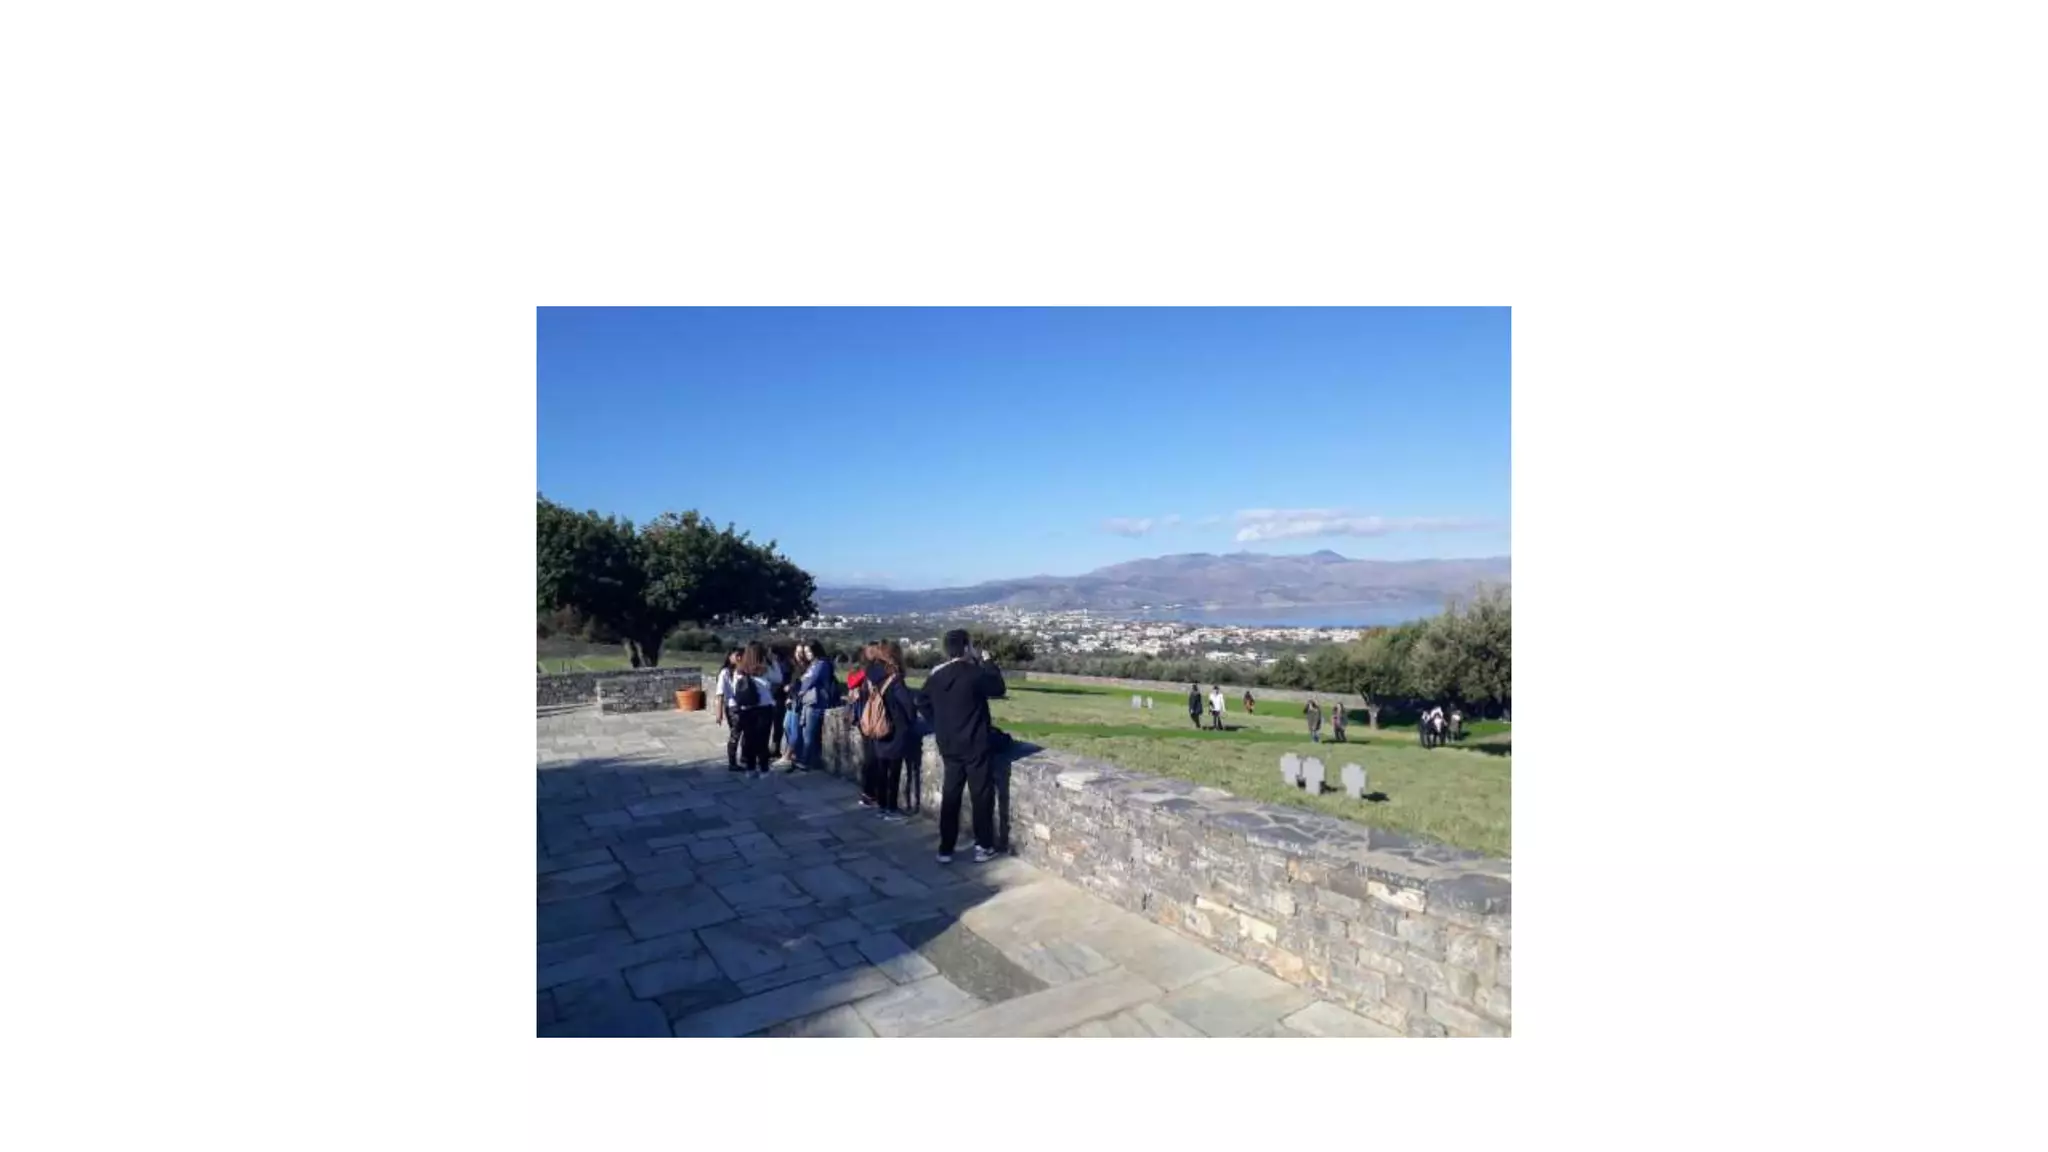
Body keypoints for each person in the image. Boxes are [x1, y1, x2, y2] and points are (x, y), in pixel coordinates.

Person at [922, 629, 1008, 864]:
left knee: (951, 794)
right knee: (981, 795)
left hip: (949, 744)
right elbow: (998, 688)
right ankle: (983, 845)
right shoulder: (974, 674)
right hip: (975, 744)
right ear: (966, 647)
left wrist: (938, 724)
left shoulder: (937, 676)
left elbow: (922, 701)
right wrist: (988, 662)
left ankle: (946, 848)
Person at [862, 641, 920, 823]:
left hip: (877, 726)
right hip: (895, 728)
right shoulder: (894, 678)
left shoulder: (872, 674)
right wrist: (911, 719)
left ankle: (881, 806)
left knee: (881, 769)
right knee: (893, 772)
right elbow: (907, 705)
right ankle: (891, 809)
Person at [732, 642, 777, 775]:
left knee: (749, 738)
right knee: (763, 739)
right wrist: (773, 662)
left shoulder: (739, 670)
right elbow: (778, 678)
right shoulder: (765, 670)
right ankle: (763, 768)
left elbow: (736, 689)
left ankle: (750, 768)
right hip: (764, 708)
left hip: (746, 709)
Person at [789, 642, 836, 772]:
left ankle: (805, 761)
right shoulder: (814, 664)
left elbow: (810, 680)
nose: (807, 655)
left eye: (809, 651)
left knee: (809, 733)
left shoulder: (821, 664)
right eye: (806, 652)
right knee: (806, 731)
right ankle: (806, 759)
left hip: (816, 701)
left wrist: (799, 690)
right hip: (809, 701)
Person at [713, 647, 745, 771]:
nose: (739, 658)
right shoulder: (725, 672)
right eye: (736, 655)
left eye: (740, 656)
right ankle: (732, 763)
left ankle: (745, 757)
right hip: (733, 707)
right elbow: (719, 693)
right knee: (735, 734)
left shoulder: (742, 671)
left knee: (745, 733)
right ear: (730, 656)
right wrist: (719, 713)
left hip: (744, 706)